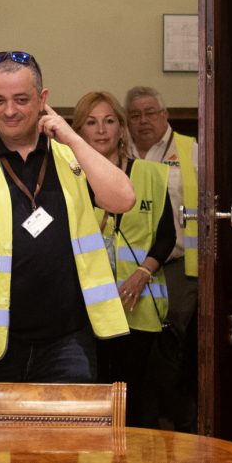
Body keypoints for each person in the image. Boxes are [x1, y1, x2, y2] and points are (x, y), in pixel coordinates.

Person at [0, 51, 135, 384]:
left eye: (21, 99)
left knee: (68, 437)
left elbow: (123, 199)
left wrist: (72, 137)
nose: (10, 111)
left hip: (66, 342)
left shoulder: (70, 155)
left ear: (43, 99)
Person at [72, 91, 175, 426]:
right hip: (85, 307)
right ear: (80, 131)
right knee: (93, 393)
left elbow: (165, 237)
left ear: (121, 128)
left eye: (109, 120)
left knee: (135, 394)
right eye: (91, 122)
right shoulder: (68, 179)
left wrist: (143, 274)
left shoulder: (149, 175)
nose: (101, 130)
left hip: (139, 306)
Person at [124, 85, 199, 432]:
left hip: (178, 267)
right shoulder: (118, 150)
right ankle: (144, 428)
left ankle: (185, 427)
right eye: (135, 114)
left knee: (174, 350)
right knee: (139, 352)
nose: (143, 121)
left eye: (150, 112)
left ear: (165, 115)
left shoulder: (190, 150)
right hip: (128, 268)